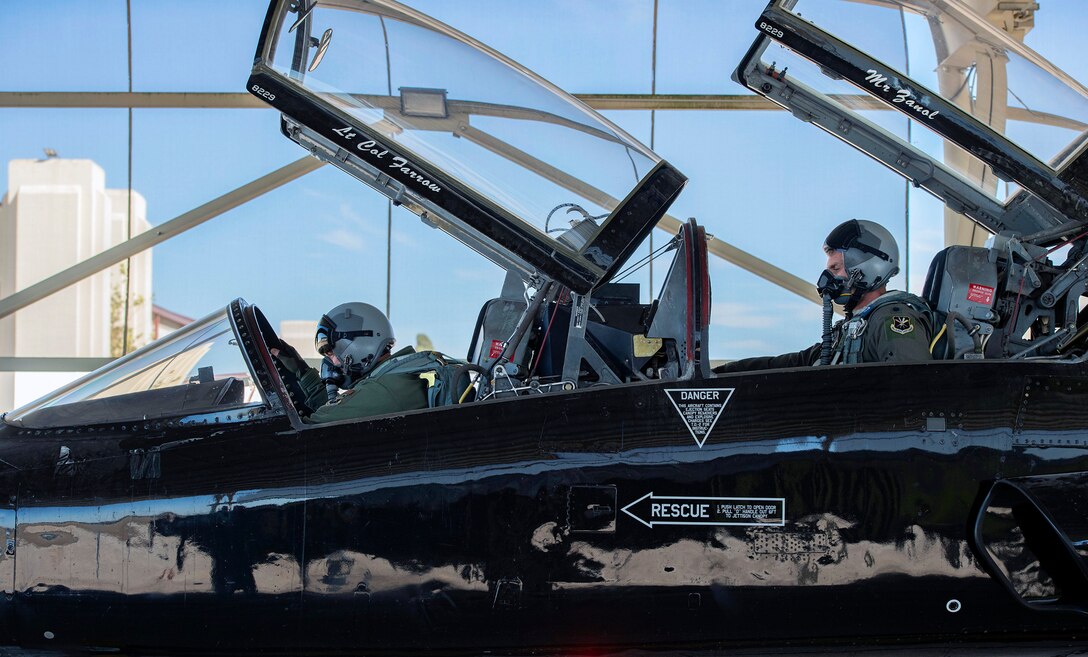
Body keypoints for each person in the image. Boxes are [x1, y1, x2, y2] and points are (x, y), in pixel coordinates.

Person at [714, 219, 933, 373]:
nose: (827, 279)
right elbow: (794, 363)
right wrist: (719, 373)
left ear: (866, 268)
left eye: (836, 269)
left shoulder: (892, 320)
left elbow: (911, 391)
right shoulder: (850, 330)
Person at [272, 302, 430, 423]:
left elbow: (311, 428)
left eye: (332, 353)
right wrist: (304, 373)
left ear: (358, 345)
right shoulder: (392, 381)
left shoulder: (382, 390)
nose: (332, 362)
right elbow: (339, 410)